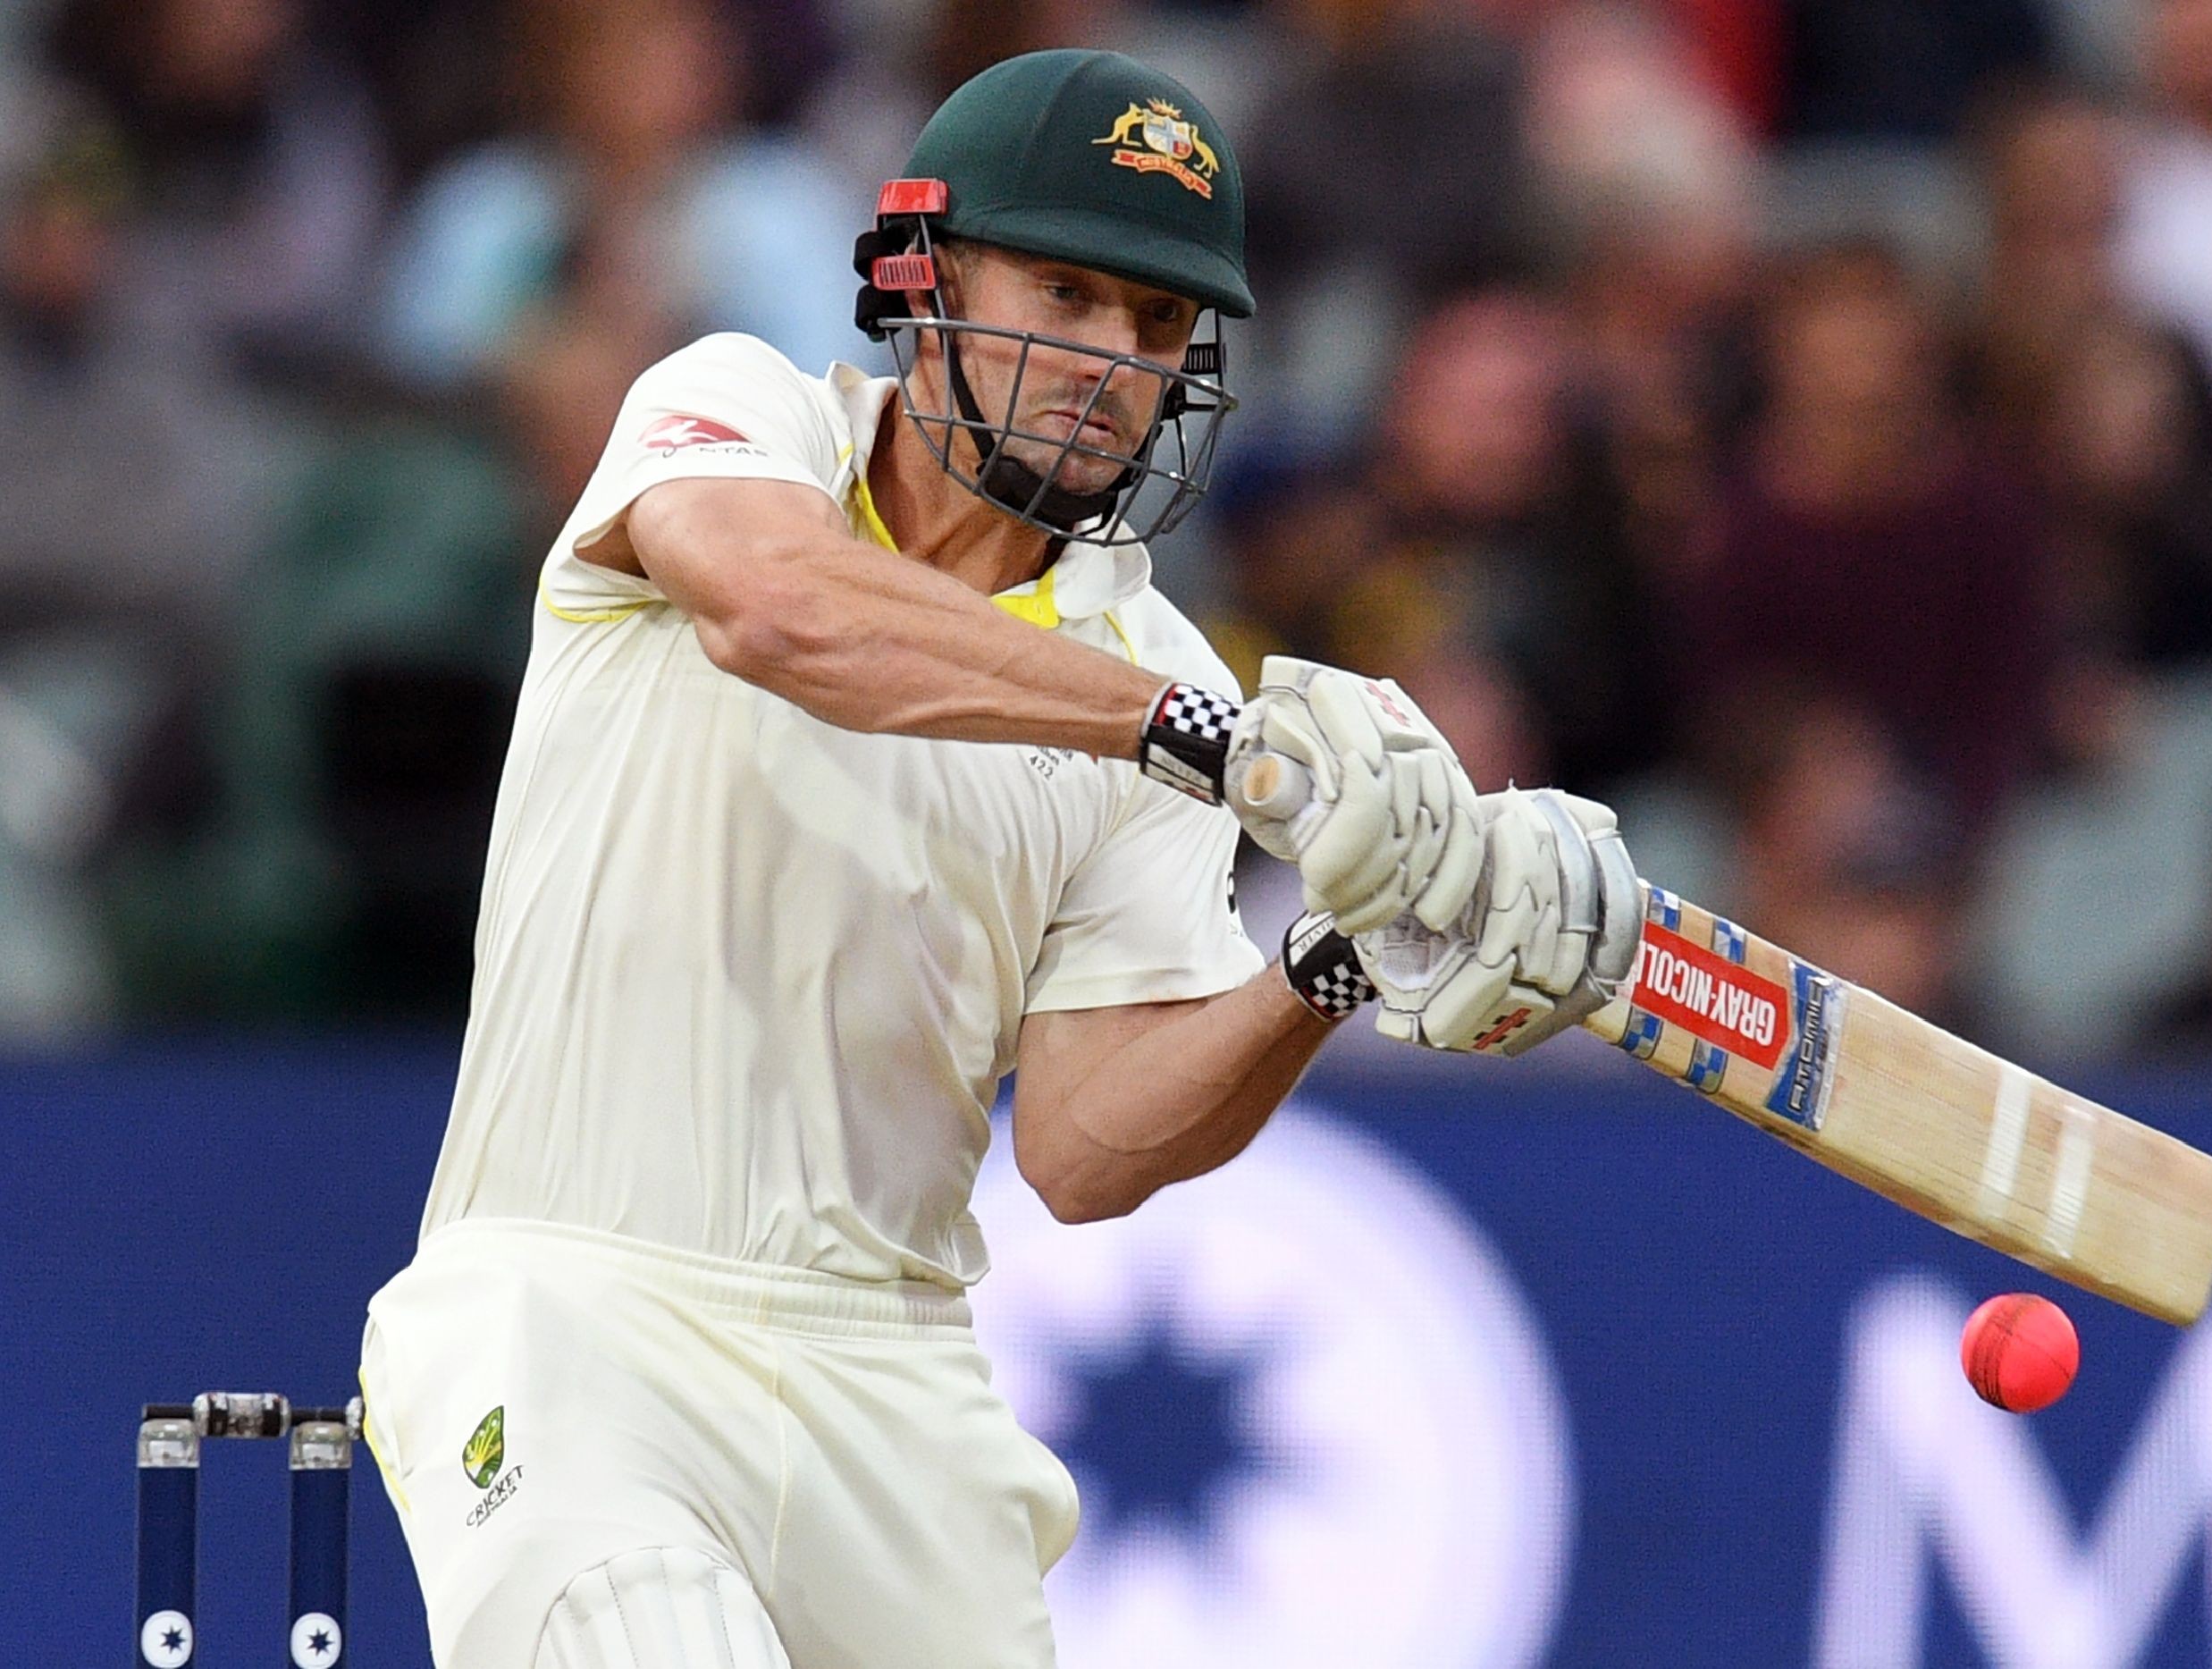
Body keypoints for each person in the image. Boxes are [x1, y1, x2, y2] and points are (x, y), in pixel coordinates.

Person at [356, 49, 1633, 1669]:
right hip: (573, 1313)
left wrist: (1333, 960)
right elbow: (784, 613)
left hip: (892, 1372)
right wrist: (1210, 743)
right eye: (1068, 293)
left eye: (1159, 326)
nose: (1112, 362)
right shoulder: (735, 418)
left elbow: (1088, 1148)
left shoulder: (1154, 664)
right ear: (923, 274)